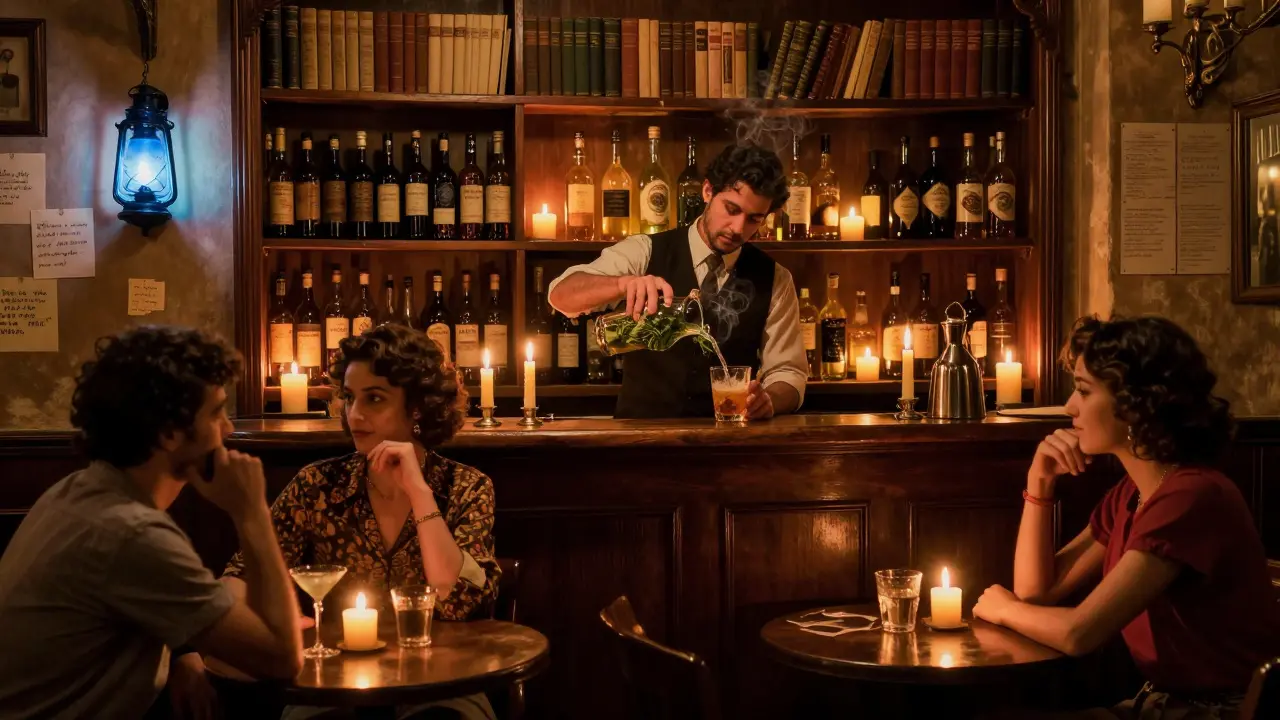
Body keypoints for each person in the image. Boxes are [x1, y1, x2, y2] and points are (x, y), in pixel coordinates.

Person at [972, 316, 1280, 719]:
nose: (1069, 406)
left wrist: (1001, 607)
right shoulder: (1133, 494)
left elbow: (1079, 633)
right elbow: (1037, 593)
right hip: (1159, 704)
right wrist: (1040, 482)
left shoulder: (1192, 496)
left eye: (1083, 390)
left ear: (1136, 405)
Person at [0, 326, 302, 720]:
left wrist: (181, 653)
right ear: (170, 433)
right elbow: (280, 658)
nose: (228, 430)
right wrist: (252, 513)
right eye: (216, 412)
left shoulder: (78, 491)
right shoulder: (129, 532)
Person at [221, 323, 500, 720]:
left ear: (417, 406)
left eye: (374, 399)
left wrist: (420, 493)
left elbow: (454, 598)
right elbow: (240, 576)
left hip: (441, 679)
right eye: (349, 398)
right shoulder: (318, 485)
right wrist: (197, 649)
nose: (355, 414)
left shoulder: (466, 487)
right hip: (334, 684)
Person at [548, 142, 807, 420]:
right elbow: (561, 296)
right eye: (731, 209)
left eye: (754, 219)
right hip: (640, 445)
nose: (738, 228)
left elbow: (788, 373)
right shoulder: (644, 250)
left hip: (729, 449)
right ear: (708, 191)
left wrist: (770, 399)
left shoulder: (774, 278)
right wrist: (623, 284)